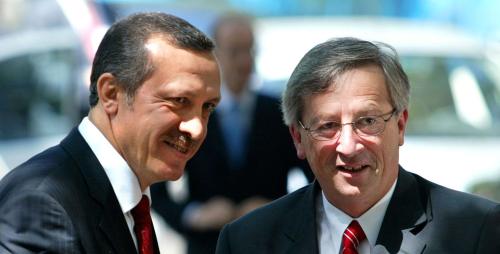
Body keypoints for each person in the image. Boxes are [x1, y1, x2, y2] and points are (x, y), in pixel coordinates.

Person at [215, 37, 500, 253]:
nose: (348, 147)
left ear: (400, 125)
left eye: (367, 121)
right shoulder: (246, 241)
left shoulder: (477, 231)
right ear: (297, 138)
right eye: (327, 126)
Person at [0, 12, 220, 254]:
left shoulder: (132, 204)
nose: (197, 128)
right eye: (179, 100)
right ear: (111, 94)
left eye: (207, 107)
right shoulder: (43, 204)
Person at [151, 13, 311, 254]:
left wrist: (279, 208)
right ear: (214, 56)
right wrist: (193, 214)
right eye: (235, 51)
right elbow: (158, 190)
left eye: (250, 51)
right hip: (207, 245)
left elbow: (316, 177)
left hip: (269, 243)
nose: (245, 61)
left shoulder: (279, 113)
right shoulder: (187, 115)